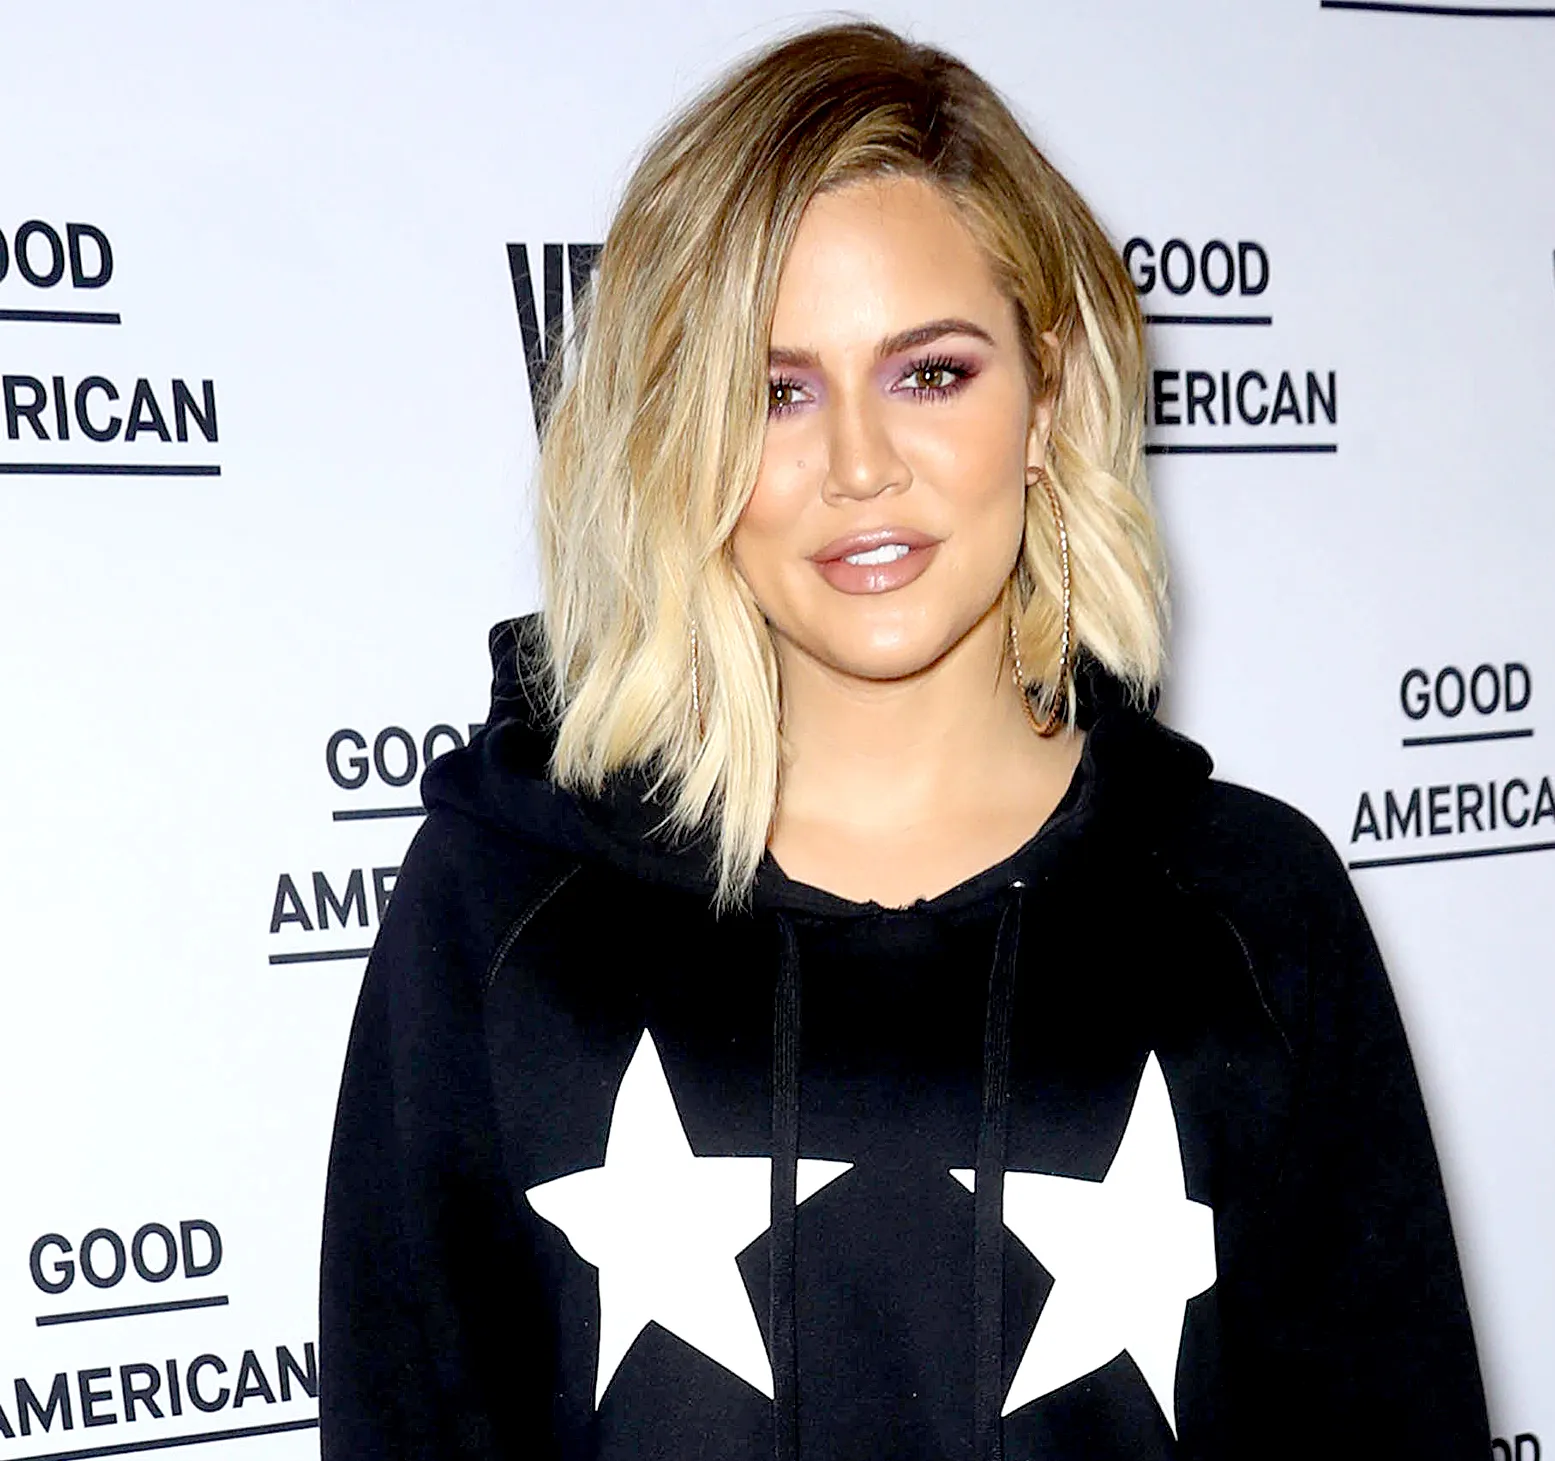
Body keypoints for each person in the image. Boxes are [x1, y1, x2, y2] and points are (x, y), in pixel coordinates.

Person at [319, 19, 1490, 1460]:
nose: (860, 466)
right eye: (776, 391)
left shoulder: (1256, 909)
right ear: (677, 437)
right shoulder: (498, 908)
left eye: (931, 373)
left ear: (1049, 395)